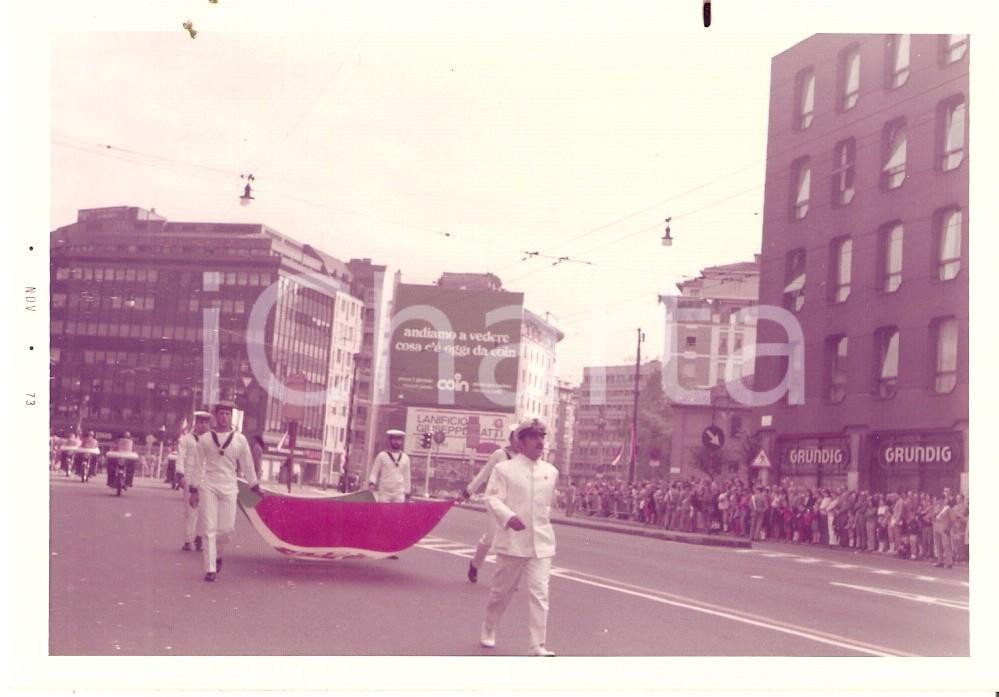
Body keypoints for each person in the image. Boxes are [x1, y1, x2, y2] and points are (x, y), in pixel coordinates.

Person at [480, 418, 558, 657]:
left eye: (542, 437)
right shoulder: (505, 469)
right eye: (534, 437)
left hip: (541, 544)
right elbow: (492, 497)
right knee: (500, 592)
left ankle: (537, 645)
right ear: (521, 442)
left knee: (540, 593)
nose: (539, 441)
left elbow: (547, 505)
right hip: (512, 543)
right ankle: (489, 626)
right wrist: (508, 516)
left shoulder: (551, 472)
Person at [188, 400, 261, 582]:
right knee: (209, 529)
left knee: (226, 530)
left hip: (229, 487)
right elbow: (198, 465)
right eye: (221, 413)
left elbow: (247, 463)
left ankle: (218, 554)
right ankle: (210, 568)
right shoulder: (205, 440)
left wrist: (254, 485)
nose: (224, 417)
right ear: (215, 416)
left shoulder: (239, 440)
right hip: (209, 486)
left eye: (227, 414)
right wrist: (194, 489)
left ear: (231, 416)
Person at [460, 426, 519, 583]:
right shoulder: (499, 455)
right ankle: (475, 564)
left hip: (513, 502)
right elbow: (484, 473)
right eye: (517, 437)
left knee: (511, 541)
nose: (519, 441)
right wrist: (469, 490)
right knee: (490, 538)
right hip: (495, 499)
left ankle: (506, 577)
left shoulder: (525, 458)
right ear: (511, 438)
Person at [176, 411, 211, 552]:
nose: (203, 425)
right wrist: (181, 475)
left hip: (206, 480)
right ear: (196, 423)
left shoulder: (211, 441)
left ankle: (199, 538)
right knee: (191, 510)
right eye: (201, 422)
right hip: (190, 479)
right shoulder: (187, 440)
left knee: (206, 512)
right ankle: (188, 540)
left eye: (206, 423)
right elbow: (181, 457)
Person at [367, 429, 412, 503]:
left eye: (399, 440)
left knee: (397, 514)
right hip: (384, 493)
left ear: (402, 441)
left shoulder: (405, 457)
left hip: (399, 493)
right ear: (390, 440)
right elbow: (374, 472)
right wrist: (372, 483)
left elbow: (407, 476)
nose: (396, 442)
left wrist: (407, 493)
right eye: (394, 439)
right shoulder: (382, 455)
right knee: (384, 514)